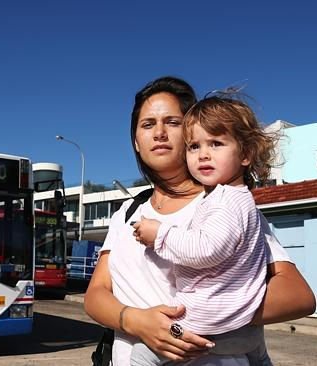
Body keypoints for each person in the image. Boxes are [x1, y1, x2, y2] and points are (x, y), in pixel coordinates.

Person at [84, 76, 316, 366]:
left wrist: (206, 320)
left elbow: (299, 296)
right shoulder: (129, 212)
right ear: (136, 141)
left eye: (172, 122)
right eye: (147, 124)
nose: (159, 133)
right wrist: (138, 322)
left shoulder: (225, 206)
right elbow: (96, 294)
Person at [130, 96, 276, 365]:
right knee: (259, 357)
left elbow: (205, 250)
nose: (203, 154)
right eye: (194, 146)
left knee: (141, 355)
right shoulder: (238, 198)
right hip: (244, 326)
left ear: (246, 155)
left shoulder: (225, 201)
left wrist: (160, 234)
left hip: (207, 321)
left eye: (216, 144)